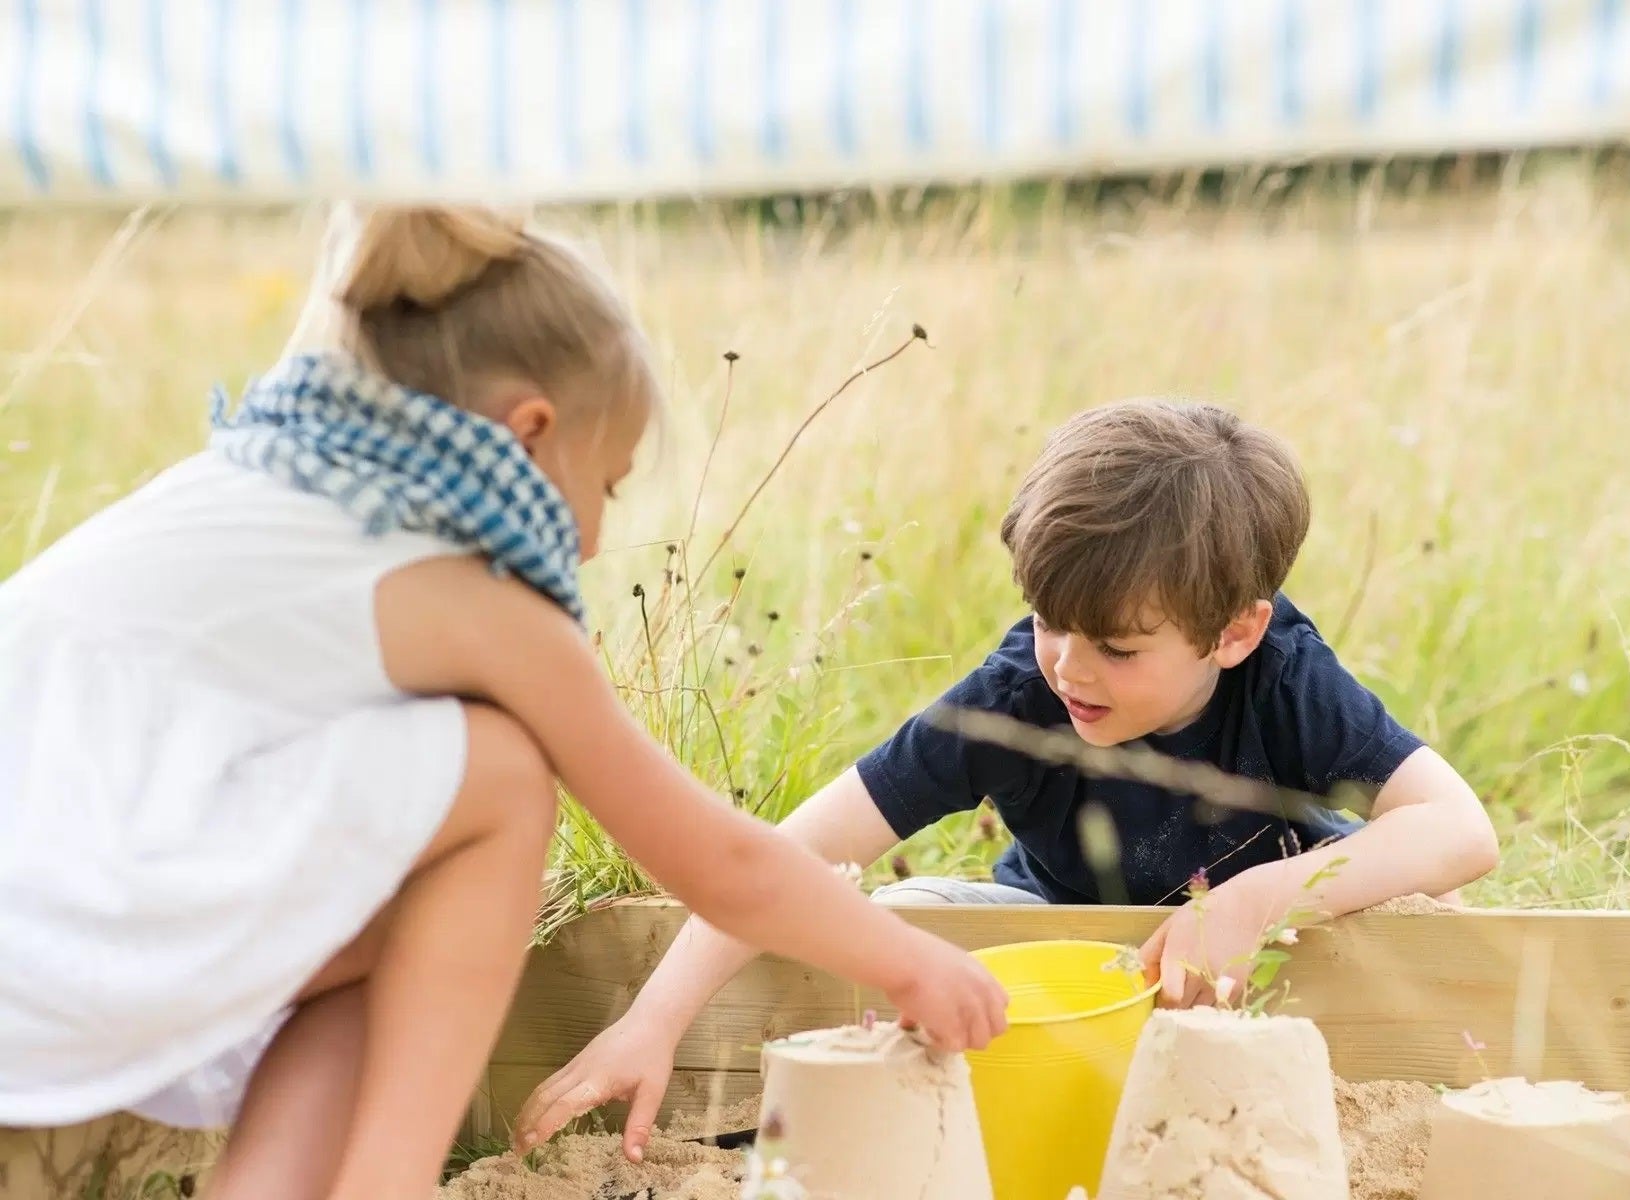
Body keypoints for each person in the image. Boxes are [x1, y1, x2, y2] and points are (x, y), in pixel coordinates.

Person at [0, 207, 1007, 1200]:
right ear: (530, 433)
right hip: (62, 958)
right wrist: (910, 962)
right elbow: (718, 862)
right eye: (605, 488)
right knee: (503, 773)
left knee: (394, 910)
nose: (597, 543)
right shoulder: (477, 605)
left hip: (47, 936)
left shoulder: (252, 486)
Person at [516, 398, 1500, 1159]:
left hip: (1269, 977)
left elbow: (1460, 832)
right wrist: (651, 1023)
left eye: (1116, 647)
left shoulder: (1285, 678)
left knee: (1419, 926)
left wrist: (1251, 901)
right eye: (1048, 621)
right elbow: (792, 855)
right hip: (1061, 970)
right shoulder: (1013, 700)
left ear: (1235, 631)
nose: (1070, 667)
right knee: (892, 925)